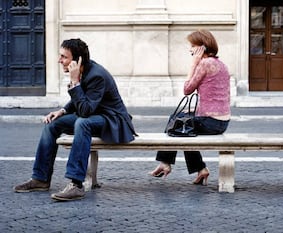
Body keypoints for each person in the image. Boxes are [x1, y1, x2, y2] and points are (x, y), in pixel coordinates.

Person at [14, 38, 136, 201]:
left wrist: (74, 81)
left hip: (113, 120)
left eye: (64, 57)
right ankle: (40, 178)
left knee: (82, 123)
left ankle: (76, 184)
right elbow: (81, 100)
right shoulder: (85, 71)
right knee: (53, 124)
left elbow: (85, 111)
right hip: (95, 115)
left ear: (77, 60)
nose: (60, 60)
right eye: (60, 56)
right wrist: (62, 111)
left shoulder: (96, 75)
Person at [149, 29, 231, 185]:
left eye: (193, 46)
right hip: (222, 121)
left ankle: (166, 163)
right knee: (184, 123)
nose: (190, 50)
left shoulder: (205, 63)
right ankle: (199, 169)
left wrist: (194, 64)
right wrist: (195, 111)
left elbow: (187, 90)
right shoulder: (221, 64)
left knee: (179, 124)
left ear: (202, 48)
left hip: (212, 121)